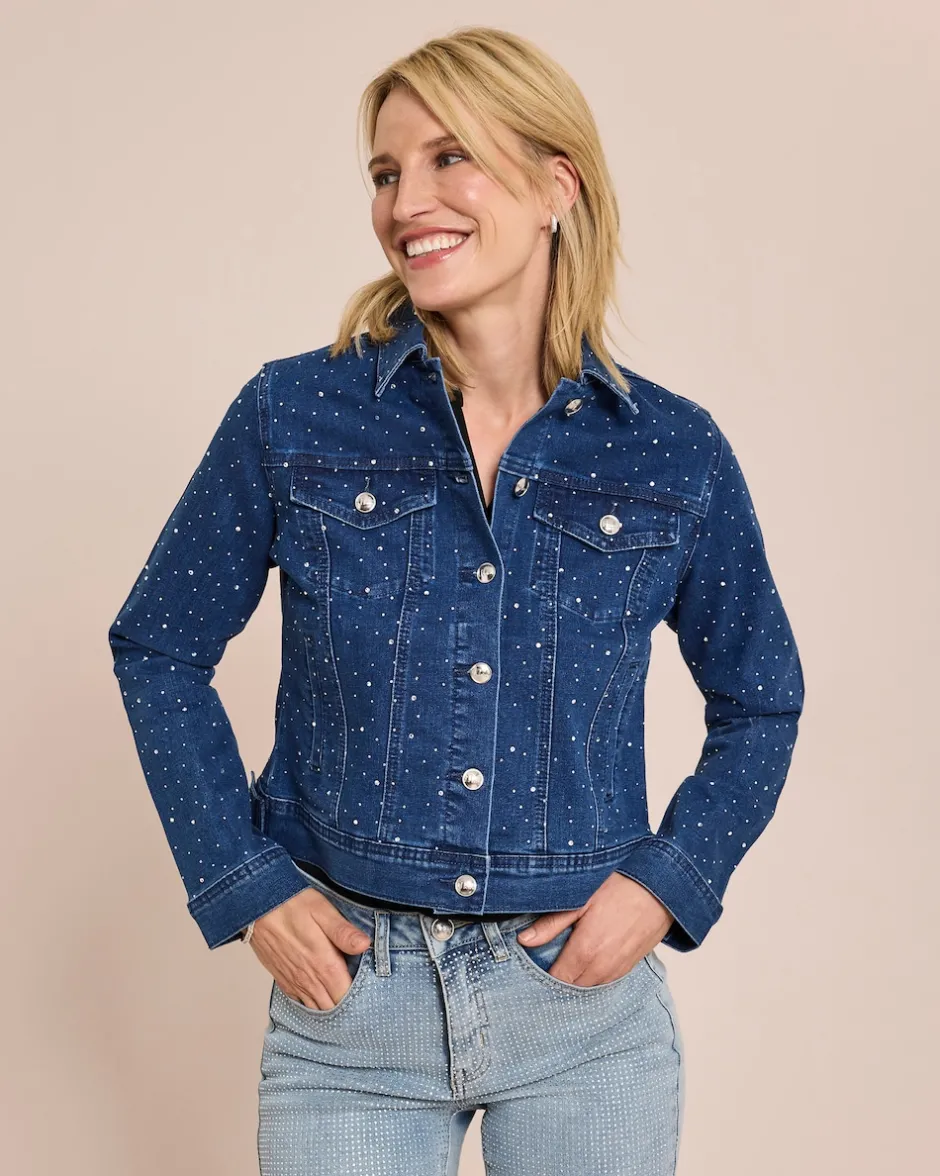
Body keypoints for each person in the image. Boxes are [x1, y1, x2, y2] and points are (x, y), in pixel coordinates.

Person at [107, 25, 804, 1175]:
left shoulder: (670, 451)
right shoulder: (294, 415)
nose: (405, 202)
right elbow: (158, 647)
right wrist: (244, 884)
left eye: (448, 159)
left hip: (583, 1017)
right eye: (385, 172)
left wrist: (667, 885)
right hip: (352, 1014)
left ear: (555, 187)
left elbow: (761, 698)